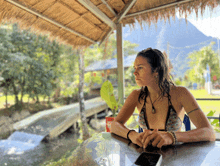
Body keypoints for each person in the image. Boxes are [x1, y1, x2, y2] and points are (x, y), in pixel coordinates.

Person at [110, 48, 216, 149]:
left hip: (175, 156)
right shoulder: (136, 96)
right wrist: (132, 135)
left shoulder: (180, 93)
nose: (135, 72)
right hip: (146, 155)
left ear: (156, 70)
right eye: (135, 68)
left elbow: (209, 132)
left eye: (140, 67)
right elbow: (115, 124)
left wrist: (171, 136)